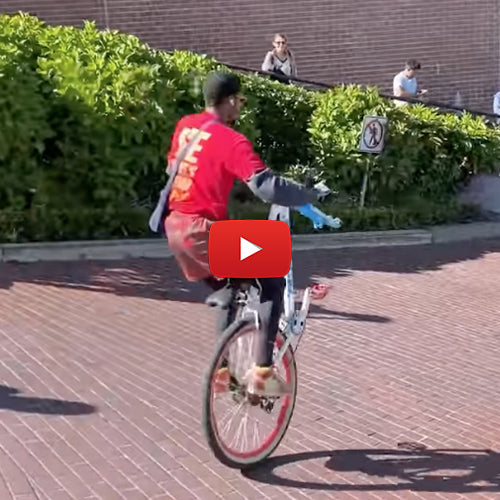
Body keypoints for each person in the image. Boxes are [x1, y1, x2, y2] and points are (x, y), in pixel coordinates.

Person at [163, 71, 321, 396]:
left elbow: (178, 171)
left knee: (228, 287)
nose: (241, 107)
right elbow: (266, 187)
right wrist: (308, 195)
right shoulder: (231, 140)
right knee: (274, 264)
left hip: (176, 229)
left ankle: (222, 371)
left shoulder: (186, 127)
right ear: (232, 101)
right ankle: (263, 373)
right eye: (241, 101)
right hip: (203, 232)